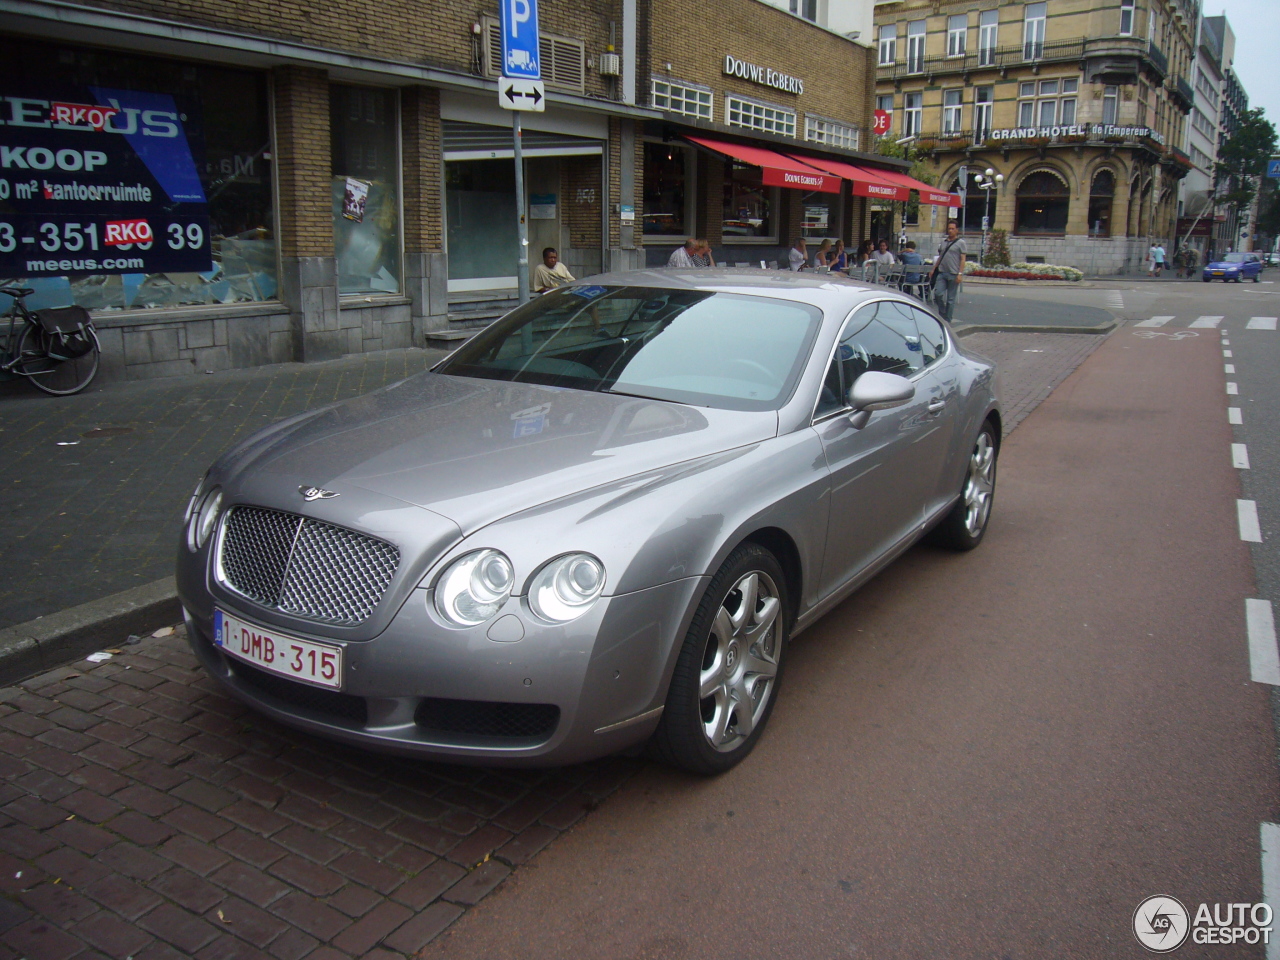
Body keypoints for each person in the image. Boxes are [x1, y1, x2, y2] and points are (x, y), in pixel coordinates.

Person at [931, 219, 967, 322]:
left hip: (953, 273)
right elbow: (940, 257)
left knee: (950, 299)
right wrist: (934, 269)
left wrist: (960, 273)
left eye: (952, 229)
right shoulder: (944, 242)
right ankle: (942, 314)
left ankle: (947, 319)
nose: (950, 231)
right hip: (942, 272)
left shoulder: (961, 243)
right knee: (938, 294)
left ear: (957, 230)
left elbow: (963, 259)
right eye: (949, 228)